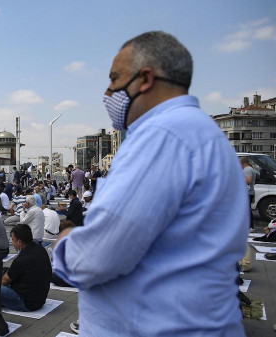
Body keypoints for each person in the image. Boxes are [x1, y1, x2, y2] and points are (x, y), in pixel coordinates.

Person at [53, 31, 248, 336]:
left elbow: (96, 257)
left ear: (144, 78)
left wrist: (65, 239)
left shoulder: (161, 136)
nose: (108, 92)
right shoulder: (202, 133)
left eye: (115, 79)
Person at [1, 224, 51, 311]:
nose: (12, 243)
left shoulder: (22, 259)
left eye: (13, 240)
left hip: (26, 303)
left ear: (20, 242)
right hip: (39, 299)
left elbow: (4, 281)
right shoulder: (40, 249)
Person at [240, 157, 256, 230]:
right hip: (249, 192)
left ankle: (250, 226)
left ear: (243, 163)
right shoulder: (250, 169)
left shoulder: (247, 169)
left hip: (247, 192)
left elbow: (249, 180)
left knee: (247, 210)